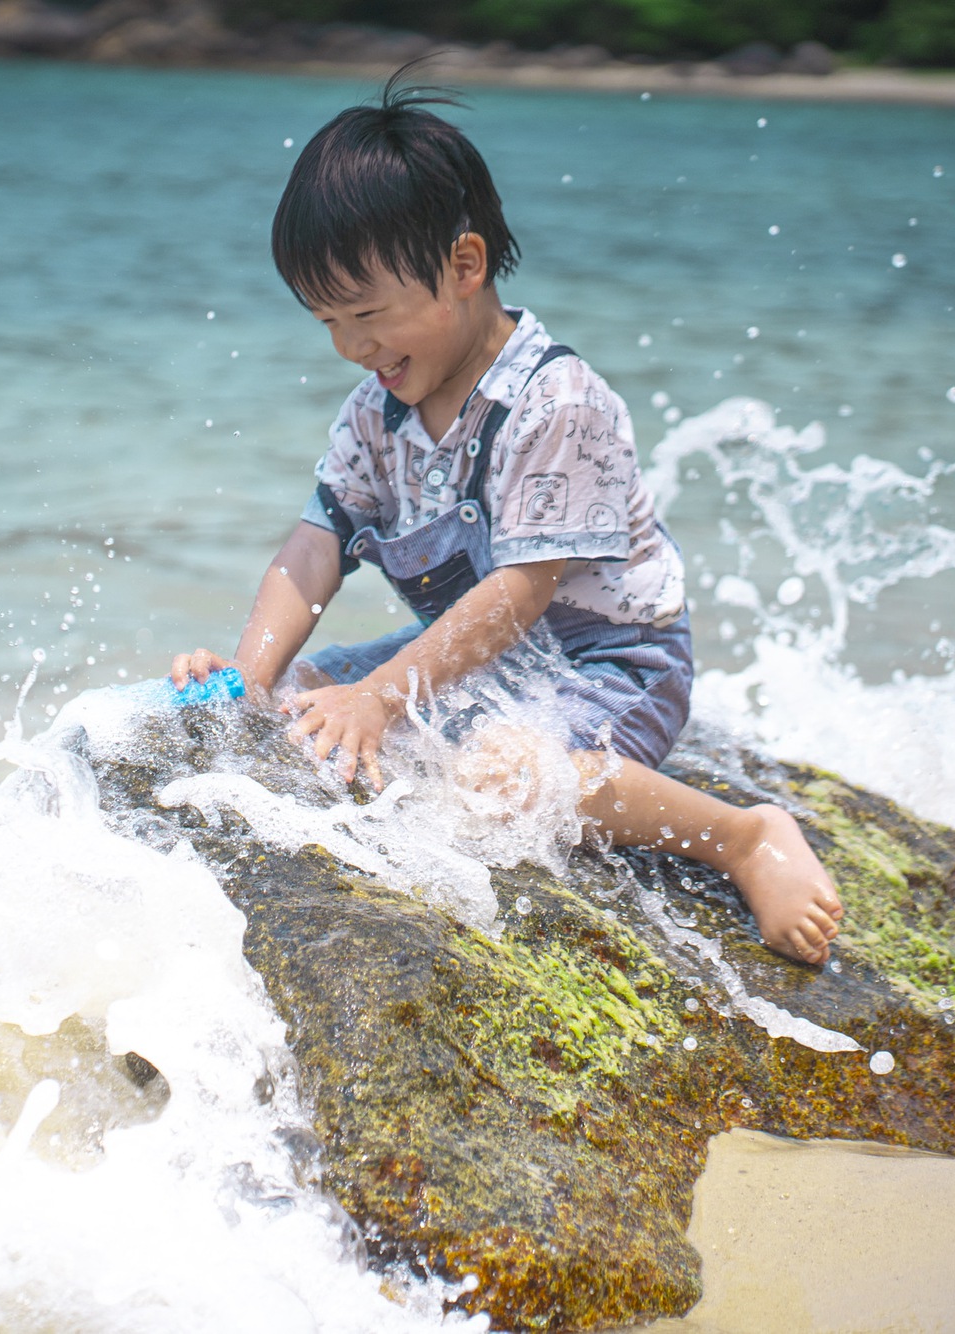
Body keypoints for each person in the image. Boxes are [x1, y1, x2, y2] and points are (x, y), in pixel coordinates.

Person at [169, 79, 843, 965]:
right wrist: (254, 676)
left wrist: (381, 698)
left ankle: (744, 837)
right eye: (327, 320)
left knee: (512, 781)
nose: (349, 346)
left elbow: (523, 591)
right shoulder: (377, 411)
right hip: (483, 661)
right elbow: (315, 544)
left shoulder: (556, 400)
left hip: (609, 662)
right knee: (293, 712)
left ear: (464, 265)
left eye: (367, 313)